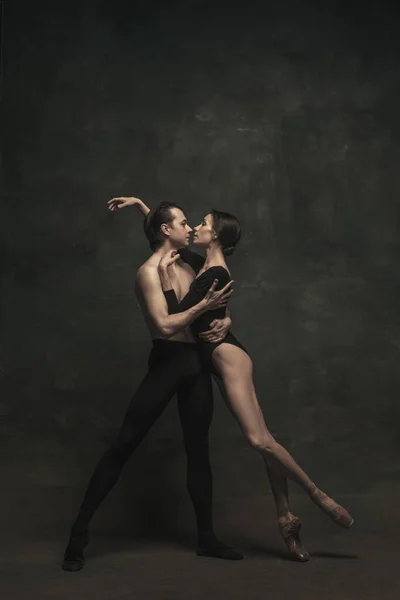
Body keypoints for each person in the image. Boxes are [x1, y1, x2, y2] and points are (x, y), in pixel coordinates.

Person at [110, 197, 354, 563]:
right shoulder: (200, 262)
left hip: (226, 355)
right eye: (191, 224)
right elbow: (166, 234)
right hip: (213, 354)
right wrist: (143, 207)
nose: (194, 227)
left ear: (217, 237)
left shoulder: (213, 272)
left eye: (203, 224)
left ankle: (318, 495)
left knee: (259, 441)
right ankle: (286, 519)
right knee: (266, 441)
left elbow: (179, 315)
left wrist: (164, 282)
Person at [61, 201, 242, 572]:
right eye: (183, 222)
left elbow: (213, 300)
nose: (190, 227)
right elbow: (164, 326)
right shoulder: (147, 273)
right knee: (124, 445)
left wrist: (224, 318)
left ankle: (207, 539)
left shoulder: (191, 262)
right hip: (167, 363)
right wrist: (202, 306)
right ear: (166, 231)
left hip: (195, 363)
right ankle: (77, 536)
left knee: (199, 451)